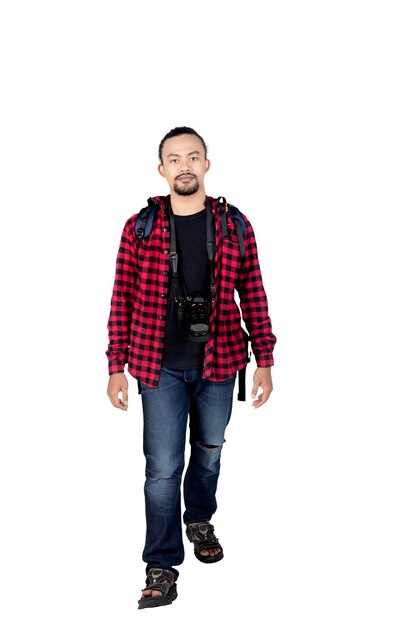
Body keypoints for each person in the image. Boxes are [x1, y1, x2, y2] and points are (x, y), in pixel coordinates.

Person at [106, 126, 277, 609]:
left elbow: (255, 291)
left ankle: (199, 518)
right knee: (161, 469)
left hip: (220, 362)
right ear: (161, 170)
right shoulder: (139, 226)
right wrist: (115, 365)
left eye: (193, 157)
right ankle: (160, 564)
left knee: (209, 450)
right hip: (155, 366)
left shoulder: (234, 224)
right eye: (174, 158)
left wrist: (265, 358)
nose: (184, 165)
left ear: (206, 164)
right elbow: (121, 297)